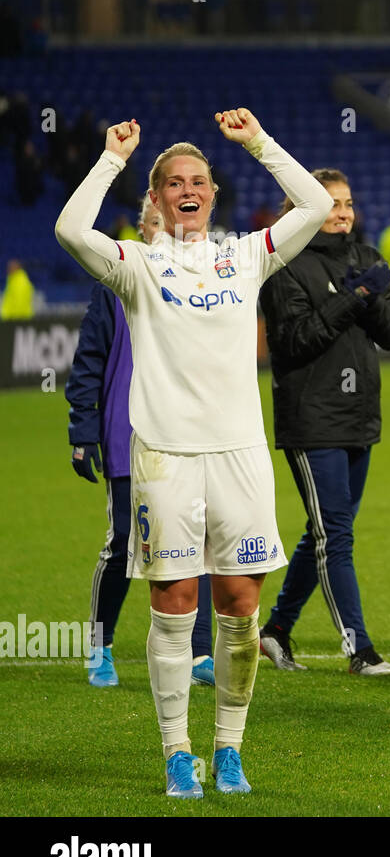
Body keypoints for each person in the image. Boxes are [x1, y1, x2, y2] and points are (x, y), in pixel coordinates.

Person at [55, 108, 332, 797]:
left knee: (240, 607)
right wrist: (112, 158)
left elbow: (320, 205)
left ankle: (229, 750)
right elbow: (68, 230)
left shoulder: (246, 254)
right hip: (166, 459)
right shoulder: (138, 265)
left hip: (239, 455)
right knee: (175, 605)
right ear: (155, 198)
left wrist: (260, 142)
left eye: (199, 180)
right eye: (174, 182)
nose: (188, 189)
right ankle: (178, 751)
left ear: (213, 193)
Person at [258, 169, 390, 676]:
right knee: (336, 535)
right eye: (331, 204)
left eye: (347, 203)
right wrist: (358, 298)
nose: (343, 213)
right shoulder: (283, 265)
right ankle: (359, 649)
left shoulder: (365, 258)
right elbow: (294, 342)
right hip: (311, 420)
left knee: (325, 531)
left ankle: (276, 631)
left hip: (359, 417)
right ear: (303, 209)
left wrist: (366, 299)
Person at [68, 196, 214, 688]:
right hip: (127, 436)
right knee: (124, 543)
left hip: (190, 437)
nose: (163, 232)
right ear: (142, 230)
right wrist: (82, 432)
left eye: (169, 224)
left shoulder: (202, 282)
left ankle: (198, 656)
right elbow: (89, 361)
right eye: (155, 223)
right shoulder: (115, 286)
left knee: (198, 542)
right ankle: (99, 645)